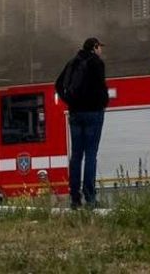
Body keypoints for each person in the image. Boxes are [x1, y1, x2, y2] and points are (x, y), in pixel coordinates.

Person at [56, 37, 109, 209]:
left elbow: (58, 85)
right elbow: (101, 87)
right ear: (94, 47)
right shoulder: (96, 63)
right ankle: (90, 197)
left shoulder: (72, 62)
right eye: (100, 47)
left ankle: (74, 198)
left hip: (75, 114)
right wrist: (102, 103)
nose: (101, 50)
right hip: (93, 113)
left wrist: (70, 102)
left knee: (76, 156)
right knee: (91, 155)